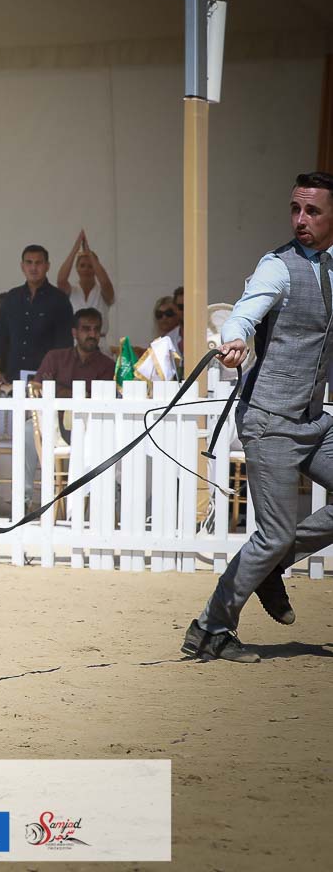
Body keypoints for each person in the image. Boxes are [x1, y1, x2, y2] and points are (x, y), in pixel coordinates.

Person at [183, 171, 333, 664]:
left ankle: (271, 566)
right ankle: (210, 628)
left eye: (312, 210)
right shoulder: (277, 266)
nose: (300, 219)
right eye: (295, 209)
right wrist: (235, 337)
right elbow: (247, 311)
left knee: (275, 542)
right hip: (269, 420)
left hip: (314, 421)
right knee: (273, 534)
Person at [0, 245, 73, 381]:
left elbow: (65, 345)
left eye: (38, 263)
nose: (33, 268)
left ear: (47, 266)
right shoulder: (12, 297)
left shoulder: (59, 300)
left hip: (46, 378)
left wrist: (57, 375)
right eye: (29, 262)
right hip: (13, 377)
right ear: (22, 266)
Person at [34, 308, 113, 398]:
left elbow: (100, 400)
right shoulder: (54, 358)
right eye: (86, 329)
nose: (93, 335)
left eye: (96, 329)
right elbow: (37, 388)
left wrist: (56, 389)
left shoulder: (108, 365)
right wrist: (82, 394)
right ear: (74, 333)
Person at [57, 230, 115, 337]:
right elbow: (61, 280)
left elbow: (105, 282)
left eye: (90, 266)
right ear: (77, 268)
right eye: (82, 265)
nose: (86, 269)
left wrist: (89, 253)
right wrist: (75, 250)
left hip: (99, 342)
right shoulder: (71, 291)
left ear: (96, 269)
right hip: (75, 342)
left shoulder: (103, 293)